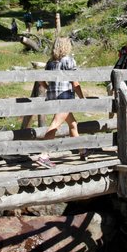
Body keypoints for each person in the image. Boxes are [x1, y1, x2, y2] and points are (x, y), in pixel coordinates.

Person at [35, 37, 86, 168]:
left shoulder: (50, 62)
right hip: (65, 97)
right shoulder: (68, 60)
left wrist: (48, 88)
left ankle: (82, 150)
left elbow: (41, 80)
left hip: (53, 97)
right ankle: (44, 154)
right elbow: (74, 82)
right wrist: (82, 97)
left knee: (73, 124)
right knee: (55, 124)